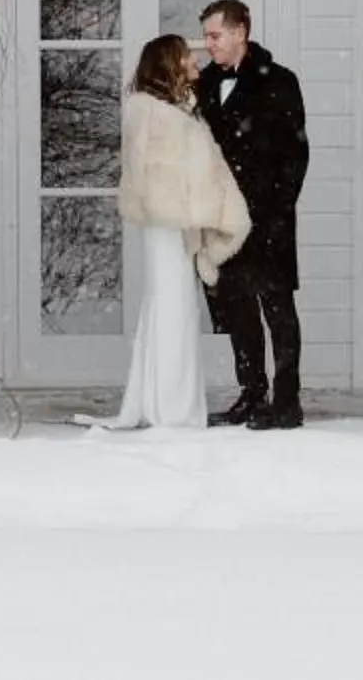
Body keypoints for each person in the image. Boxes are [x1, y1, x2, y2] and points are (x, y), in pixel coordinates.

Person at [74, 35, 250, 431]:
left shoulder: (166, 110)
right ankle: (172, 410)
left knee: (172, 309)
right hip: (169, 223)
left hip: (173, 223)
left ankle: (164, 403)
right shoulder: (155, 114)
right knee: (172, 310)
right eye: (186, 56)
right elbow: (163, 174)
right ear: (170, 64)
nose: (194, 60)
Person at [195, 0, 309, 430]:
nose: (208, 45)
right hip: (222, 219)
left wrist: (279, 209)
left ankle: (286, 401)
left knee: (278, 308)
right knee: (237, 309)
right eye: (207, 36)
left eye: (215, 35)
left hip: (267, 215)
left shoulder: (279, 81)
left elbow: (295, 152)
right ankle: (252, 394)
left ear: (240, 31)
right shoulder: (204, 84)